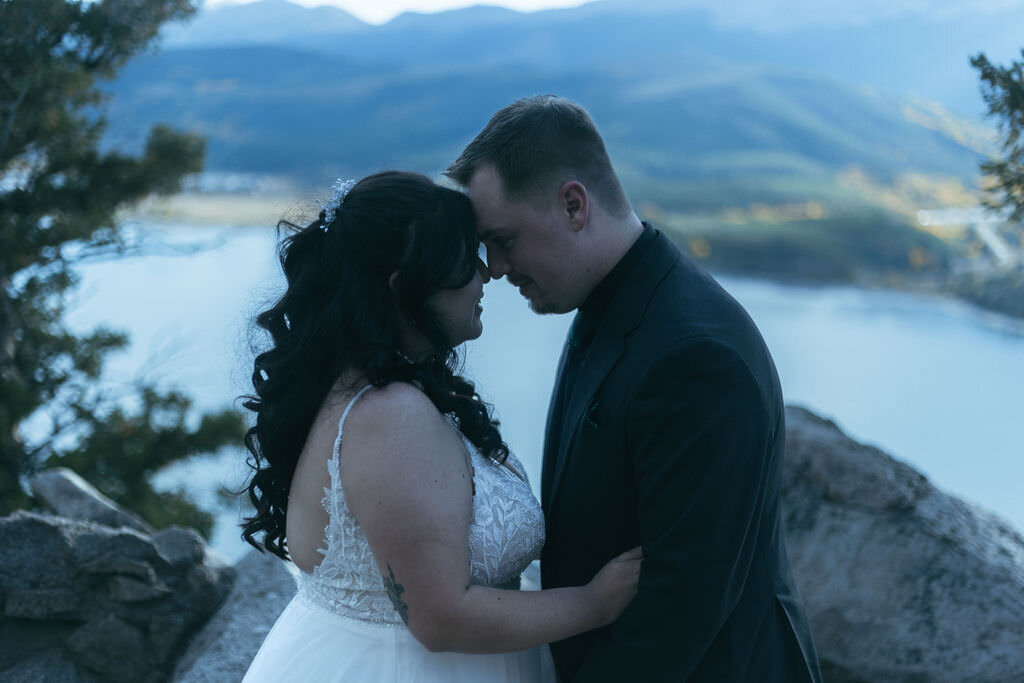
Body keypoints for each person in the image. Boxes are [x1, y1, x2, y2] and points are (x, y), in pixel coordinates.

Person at [445, 96, 823, 682]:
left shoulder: (697, 357)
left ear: (574, 205)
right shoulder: (610, 299)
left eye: (504, 239)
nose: (493, 267)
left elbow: (681, 607)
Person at [239, 171, 641, 682]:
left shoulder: (367, 386)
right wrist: (595, 604)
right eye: (463, 262)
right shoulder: (390, 414)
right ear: (405, 289)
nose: (486, 273)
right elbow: (439, 617)